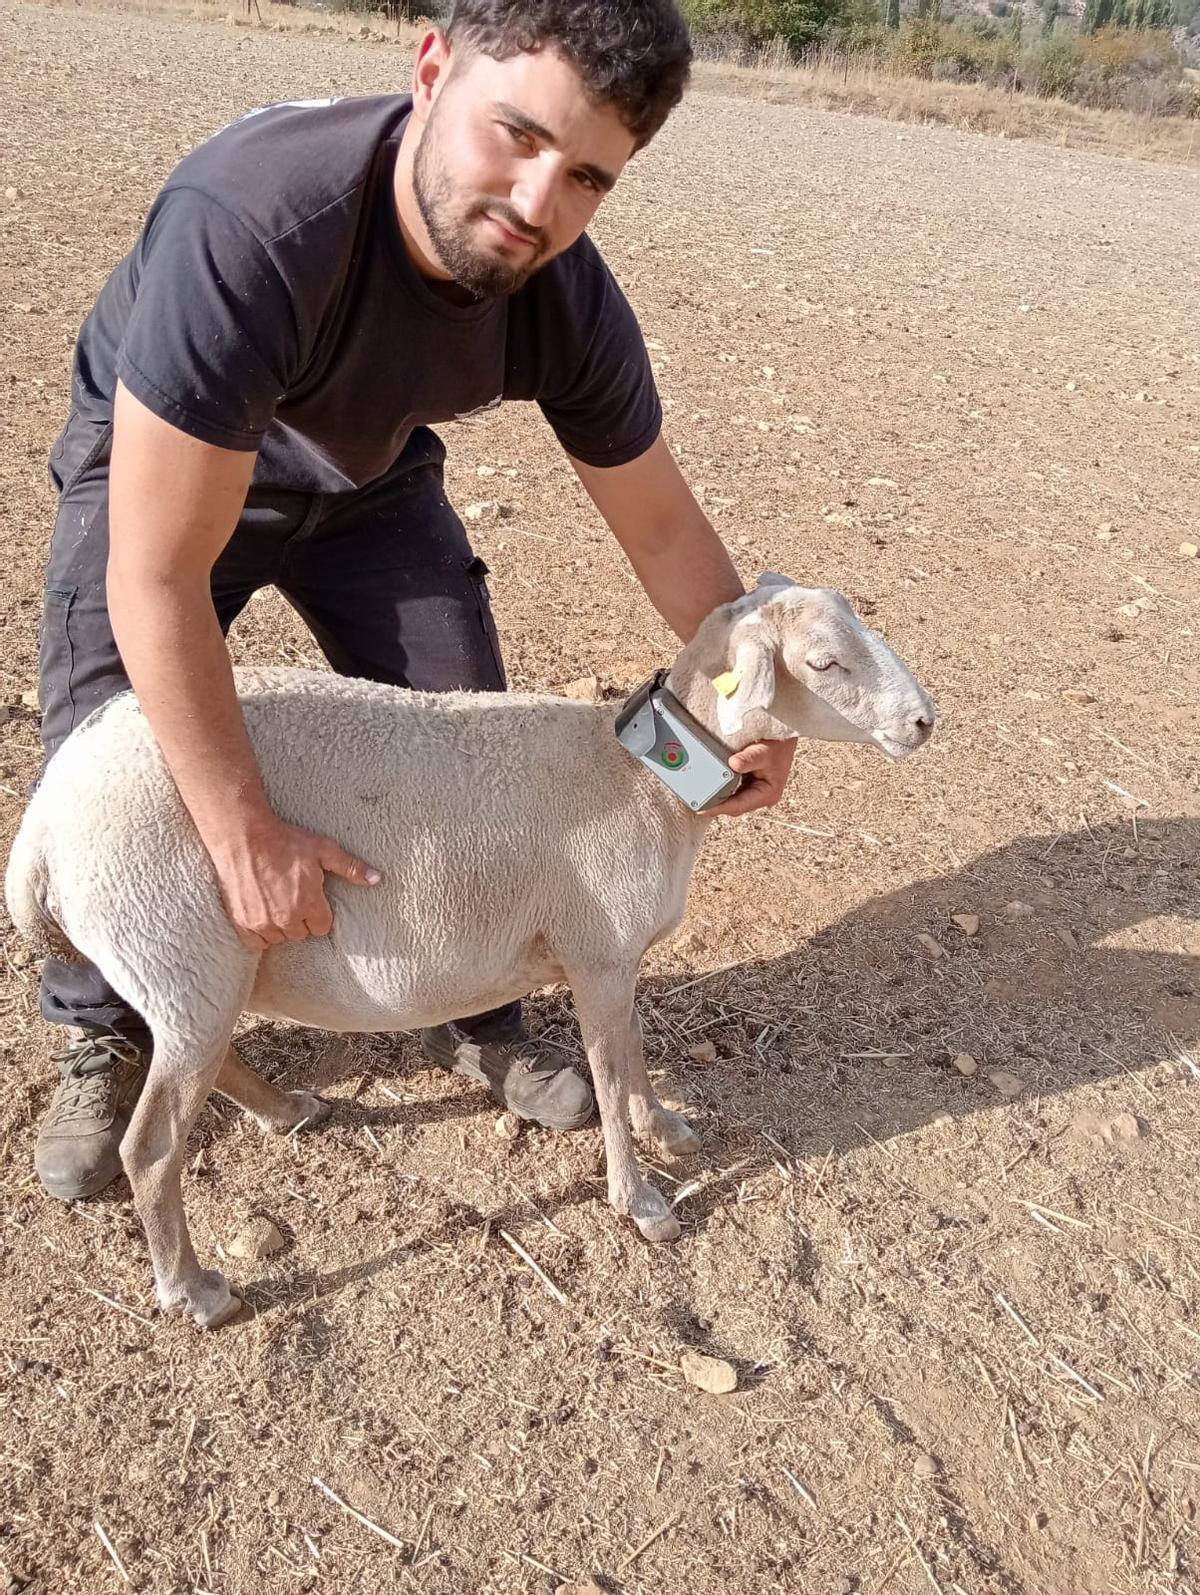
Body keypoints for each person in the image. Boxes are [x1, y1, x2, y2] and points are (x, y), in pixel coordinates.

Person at [32, 0, 797, 1202]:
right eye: (516, 136)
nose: (539, 202)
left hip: (370, 477)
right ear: (431, 68)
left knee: (466, 725)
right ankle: (107, 1023)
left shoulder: (562, 297)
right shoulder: (256, 226)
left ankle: (482, 1000)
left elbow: (661, 527)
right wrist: (241, 828)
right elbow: (156, 572)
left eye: (588, 176)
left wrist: (759, 704)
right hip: (167, 475)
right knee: (112, 728)